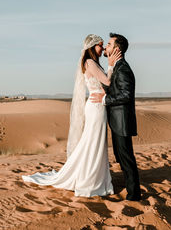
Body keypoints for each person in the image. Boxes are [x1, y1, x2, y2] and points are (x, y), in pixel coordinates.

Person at [22, 34, 121, 197]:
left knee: (94, 141)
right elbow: (108, 82)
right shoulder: (89, 62)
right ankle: (89, 178)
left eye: (103, 45)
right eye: (100, 45)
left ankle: (95, 175)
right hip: (96, 108)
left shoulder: (93, 63)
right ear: (91, 47)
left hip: (98, 105)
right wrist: (111, 65)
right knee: (92, 141)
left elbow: (104, 86)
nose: (102, 48)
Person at [90, 33, 141, 201]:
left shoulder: (123, 68)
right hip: (117, 121)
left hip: (122, 122)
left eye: (109, 45)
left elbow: (126, 95)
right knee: (122, 156)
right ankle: (130, 188)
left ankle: (134, 195)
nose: (106, 47)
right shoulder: (117, 66)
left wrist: (104, 99)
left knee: (126, 158)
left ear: (116, 49)